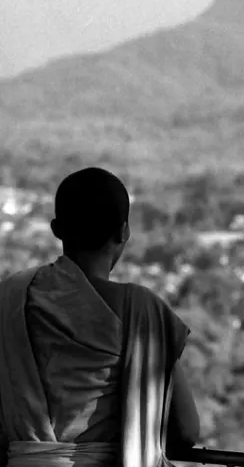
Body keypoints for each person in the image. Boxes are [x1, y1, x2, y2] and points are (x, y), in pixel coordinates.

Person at [0, 167, 200, 467]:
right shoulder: (139, 310)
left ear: (56, 229)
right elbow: (186, 432)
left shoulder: (11, 296)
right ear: (124, 232)